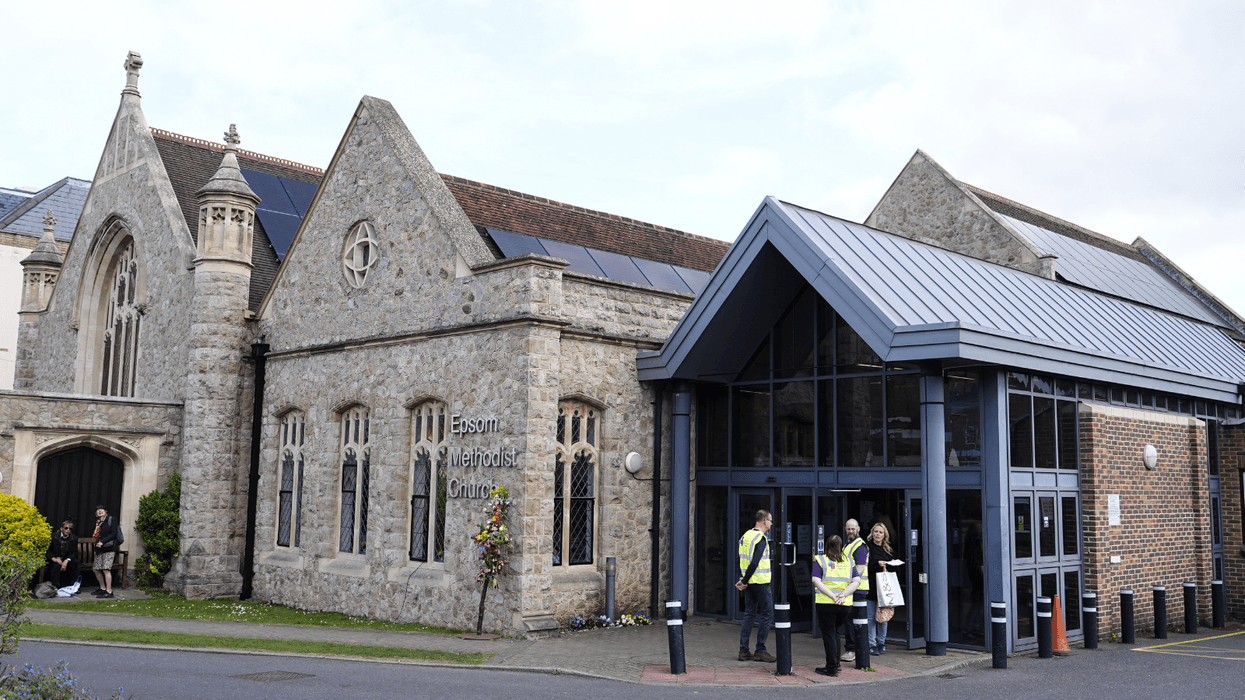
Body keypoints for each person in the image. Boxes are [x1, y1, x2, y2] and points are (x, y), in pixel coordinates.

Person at [812, 535, 859, 677]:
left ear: (827, 545)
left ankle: (831, 667)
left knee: (829, 634)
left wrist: (832, 596)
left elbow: (815, 580)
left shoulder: (821, 560)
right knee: (836, 632)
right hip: (844, 605)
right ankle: (837, 664)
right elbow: (856, 581)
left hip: (826, 603)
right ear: (841, 546)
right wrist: (843, 595)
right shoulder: (849, 562)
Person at [736, 509, 775, 662]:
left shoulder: (745, 536)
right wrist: (744, 581)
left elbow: (741, 560)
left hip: (750, 582)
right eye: (771, 520)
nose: (771, 523)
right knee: (767, 613)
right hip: (760, 581)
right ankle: (760, 649)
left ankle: (743, 650)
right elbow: (755, 562)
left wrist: (743, 579)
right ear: (765, 521)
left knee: (749, 614)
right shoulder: (761, 538)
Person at [865, 522, 900, 655]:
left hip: (885, 588)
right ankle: (872, 644)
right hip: (872, 586)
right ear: (872, 533)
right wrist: (877, 564)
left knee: (883, 616)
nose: (878, 534)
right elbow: (865, 566)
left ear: (884, 534)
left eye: (880, 532)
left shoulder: (888, 548)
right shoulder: (867, 547)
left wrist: (889, 564)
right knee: (871, 617)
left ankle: (882, 642)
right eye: (876, 531)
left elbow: (894, 566)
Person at [841, 518, 869, 662]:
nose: (850, 531)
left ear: (858, 529)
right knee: (850, 620)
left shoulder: (859, 546)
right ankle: (854, 649)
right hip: (852, 589)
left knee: (851, 621)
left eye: (853, 529)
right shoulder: (848, 544)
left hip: (857, 589)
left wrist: (850, 586)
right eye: (848, 529)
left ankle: (852, 650)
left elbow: (860, 568)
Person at [91, 506, 120, 598]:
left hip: (110, 548)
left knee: (106, 569)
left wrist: (102, 542)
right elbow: (97, 535)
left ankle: (109, 591)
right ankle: (102, 588)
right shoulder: (99, 523)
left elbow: (114, 534)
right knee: (95, 569)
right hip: (100, 549)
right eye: (97, 510)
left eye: (101, 510)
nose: (99, 511)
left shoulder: (112, 520)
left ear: (105, 511)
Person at [47, 519, 80, 592]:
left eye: (70, 529)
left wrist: (67, 560)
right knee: (56, 565)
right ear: (61, 528)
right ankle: (55, 587)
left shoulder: (74, 538)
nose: (68, 530)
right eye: (66, 528)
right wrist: (54, 559)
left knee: (76, 563)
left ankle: (73, 586)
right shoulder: (53, 536)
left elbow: (74, 552)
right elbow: (48, 551)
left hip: (66, 558)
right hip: (55, 559)